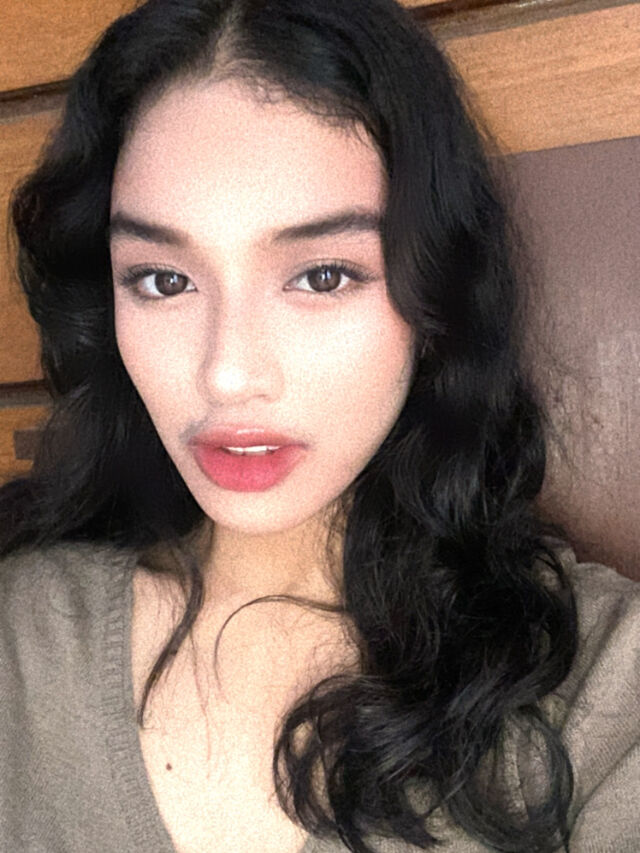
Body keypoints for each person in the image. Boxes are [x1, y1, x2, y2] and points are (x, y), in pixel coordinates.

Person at [1, 0, 638, 851]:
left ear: (434, 296)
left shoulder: (603, 687)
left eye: (323, 275)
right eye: (162, 280)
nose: (228, 373)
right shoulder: (22, 636)